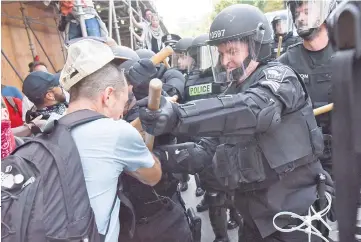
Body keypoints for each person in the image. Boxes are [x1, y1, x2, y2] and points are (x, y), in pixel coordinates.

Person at [136, 4, 333, 242]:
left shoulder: (280, 78)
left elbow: (254, 110)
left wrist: (179, 115)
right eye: (221, 54)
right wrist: (158, 157)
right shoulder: (233, 92)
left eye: (232, 51)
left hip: (295, 220)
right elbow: (205, 150)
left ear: (256, 45)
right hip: (254, 222)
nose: (225, 61)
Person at [58, 38, 162, 241]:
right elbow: (153, 176)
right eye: (122, 104)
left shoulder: (48, 126)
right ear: (108, 96)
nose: (121, 114)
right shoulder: (117, 132)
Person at [279, 0, 337, 176]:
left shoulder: (350, 53)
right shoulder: (284, 63)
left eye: (307, 11)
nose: (301, 18)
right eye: (297, 13)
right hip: (306, 161)